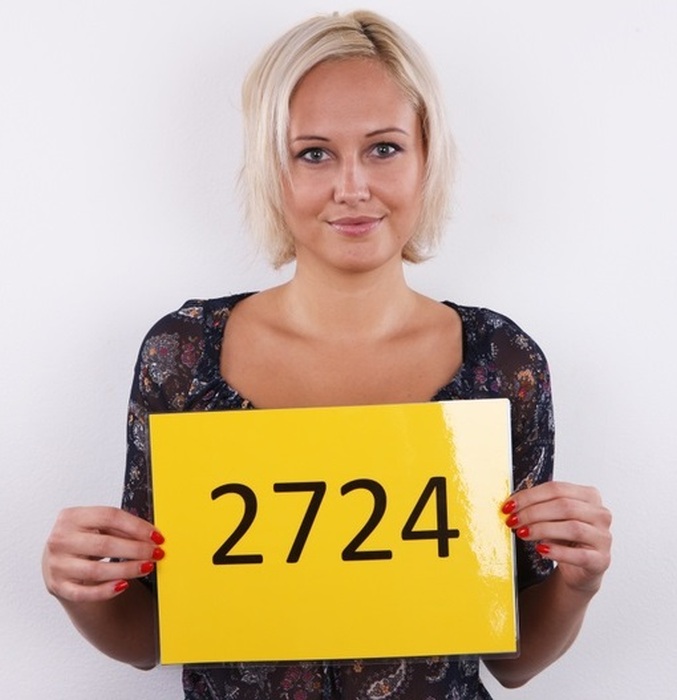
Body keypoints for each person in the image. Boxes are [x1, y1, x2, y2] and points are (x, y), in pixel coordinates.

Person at [42, 9, 612, 699]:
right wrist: (80, 589)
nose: (352, 187)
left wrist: (577, 582)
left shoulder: (500, 360)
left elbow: (511, 661)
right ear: (270, 168)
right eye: (313, 153)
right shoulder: (184, 355)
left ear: (427, 157)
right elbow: (154, 638)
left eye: (384, 148)